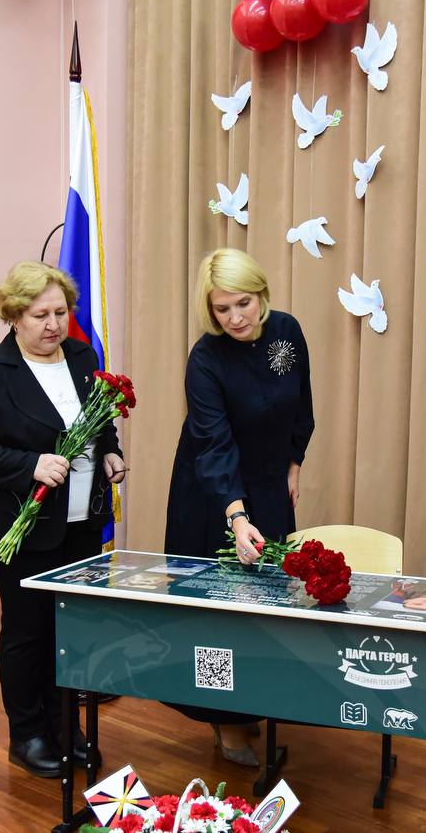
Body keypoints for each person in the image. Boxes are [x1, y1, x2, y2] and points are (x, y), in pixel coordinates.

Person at [0, 261, 127, 778]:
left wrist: (110, 451)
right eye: (40, 315)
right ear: (14, 317)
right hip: (19, 528)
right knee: (29, 632)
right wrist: (30, 465)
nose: (53, 324)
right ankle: (27, 734)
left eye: (61, 312)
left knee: (69, 630)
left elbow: (98, 421)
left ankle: (66, 726)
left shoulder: (82, 357)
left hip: (81, 523)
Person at [164, 248, 314, 766]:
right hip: (213, 492)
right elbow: (214, 443)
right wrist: (236, 515)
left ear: (261, 294)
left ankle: (250, 699)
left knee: (265, 601)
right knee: (220, 611)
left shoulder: (287, 332)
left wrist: (294, 464)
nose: (235, 318)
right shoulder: (206, 359)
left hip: (269, 483)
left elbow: (302, 406)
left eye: (243, 304)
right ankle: (224, 722)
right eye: (222, 309)